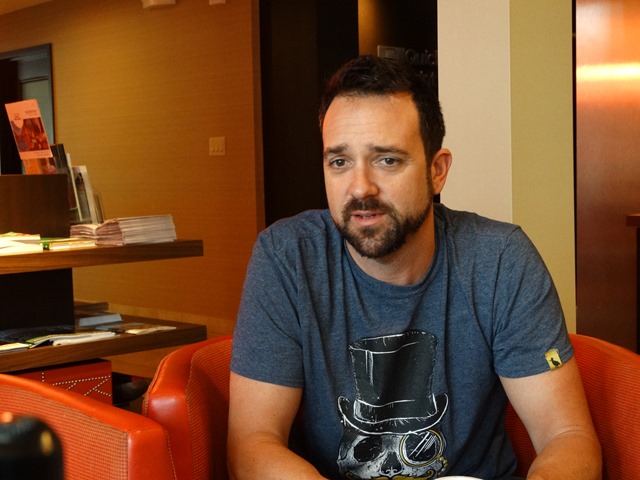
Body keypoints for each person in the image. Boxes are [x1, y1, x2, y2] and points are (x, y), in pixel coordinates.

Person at [227, 55, 601, 480]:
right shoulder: (287, 259)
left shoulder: (499, 260)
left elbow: (567, 436)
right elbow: (252, 445)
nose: (360, 188)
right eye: (339, 162)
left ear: (437, 171)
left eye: (387, 160)